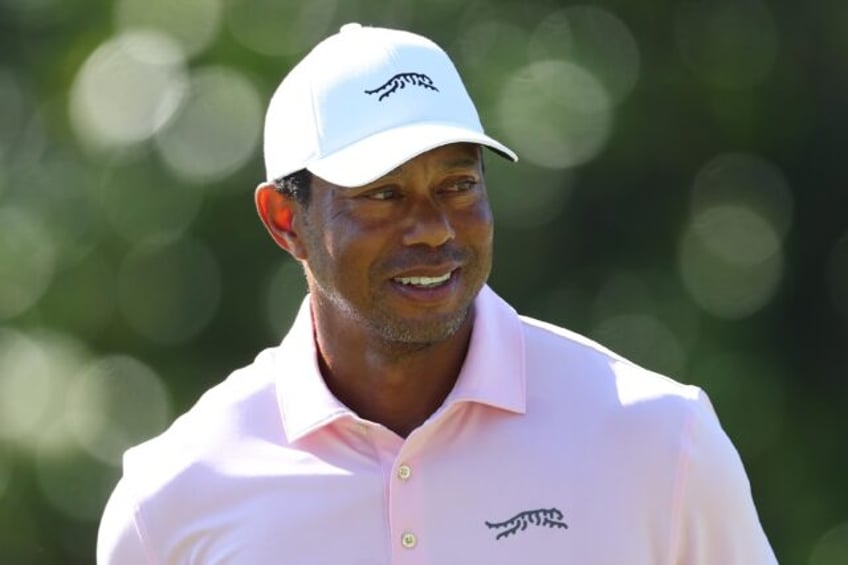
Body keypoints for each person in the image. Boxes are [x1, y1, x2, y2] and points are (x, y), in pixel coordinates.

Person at [97, 23, 778, 564]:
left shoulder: (662, 438)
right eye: (383, 195)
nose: (432, 229)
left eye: (458, 185)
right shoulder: (171, 501)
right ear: (286, 221)